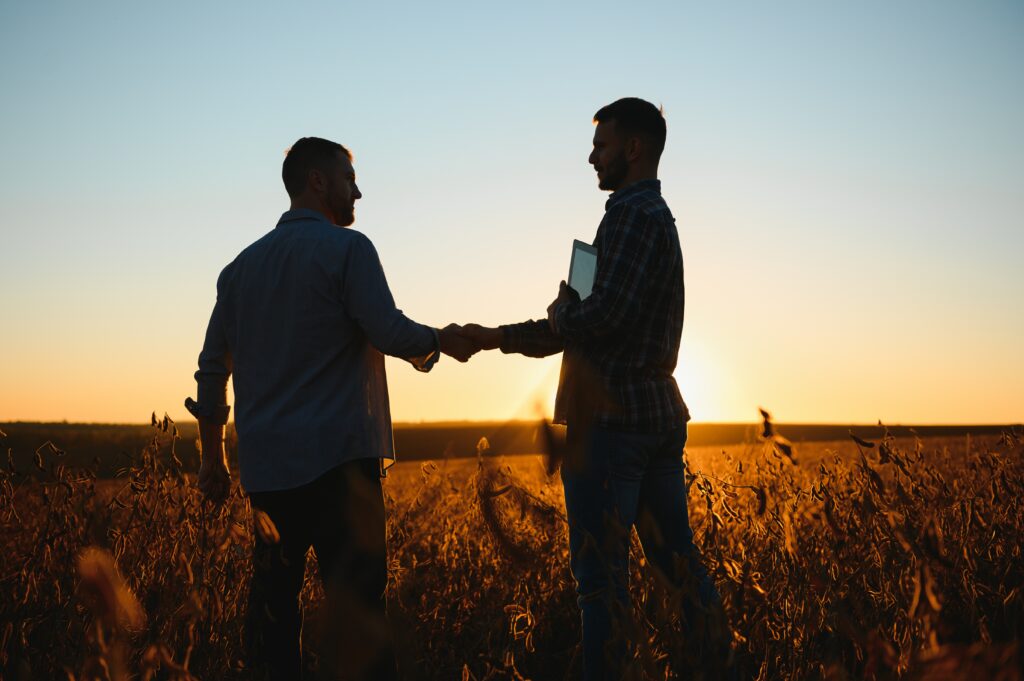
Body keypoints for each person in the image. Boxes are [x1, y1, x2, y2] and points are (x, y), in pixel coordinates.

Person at [186, 136, 477, 680]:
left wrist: (212, 461)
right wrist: (443, 339)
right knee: (361, 614)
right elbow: (388, 330)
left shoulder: (237, 271)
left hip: (269, 475)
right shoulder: (349, 250)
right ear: (318, 182)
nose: (358, 191)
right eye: (349, 178)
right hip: (343, 467)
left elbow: (210, 372)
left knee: (273, 614)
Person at [461, 98, 728, 680]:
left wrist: (561, 314)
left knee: (602, 586)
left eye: (601, 145)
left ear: (633, 149)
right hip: (653, 416)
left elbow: (604, 314)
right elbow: (583, 325)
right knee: (677, 566)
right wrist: (496, 336)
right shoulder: (647, 217)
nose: (591, 157)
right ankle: (722, 668)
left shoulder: (631, 216)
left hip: (612, 427)